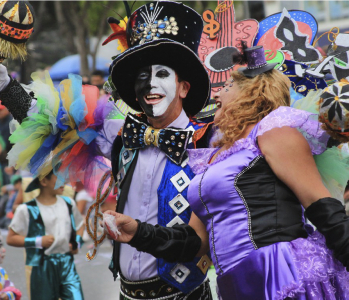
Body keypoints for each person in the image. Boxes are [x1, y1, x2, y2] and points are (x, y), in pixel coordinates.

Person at [0, 2, 214, 298]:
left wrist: (139, 233)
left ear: (184, 87)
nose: (150, 83)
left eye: (162, 74)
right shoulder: (121, 131)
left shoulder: (209, 143)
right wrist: (5, 87)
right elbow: (52, 122)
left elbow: (204, 238)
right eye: (142, 76)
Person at [105, 46, 349, 299]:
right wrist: (138, 232)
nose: (218, 92)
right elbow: (195, 241)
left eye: (228, 86)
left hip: (277, 276)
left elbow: (324, 209)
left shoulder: (274, 132)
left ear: (251, 93)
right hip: (237, 285)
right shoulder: (217, 154)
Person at [6, 170, 85, 300]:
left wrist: (77, 242)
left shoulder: (68, 203)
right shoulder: (26, 209)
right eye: (58, 177)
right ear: (43, 181)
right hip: (43, 266)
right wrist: (38, 241)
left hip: (67, 264)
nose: (63, 181)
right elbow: (11, 238)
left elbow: (80, 225)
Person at [0, 99, 13, 185]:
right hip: (0, 159)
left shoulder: (11, 122)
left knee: (8, 185)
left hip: (9, 161)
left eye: (0, 109)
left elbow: (4, 143)